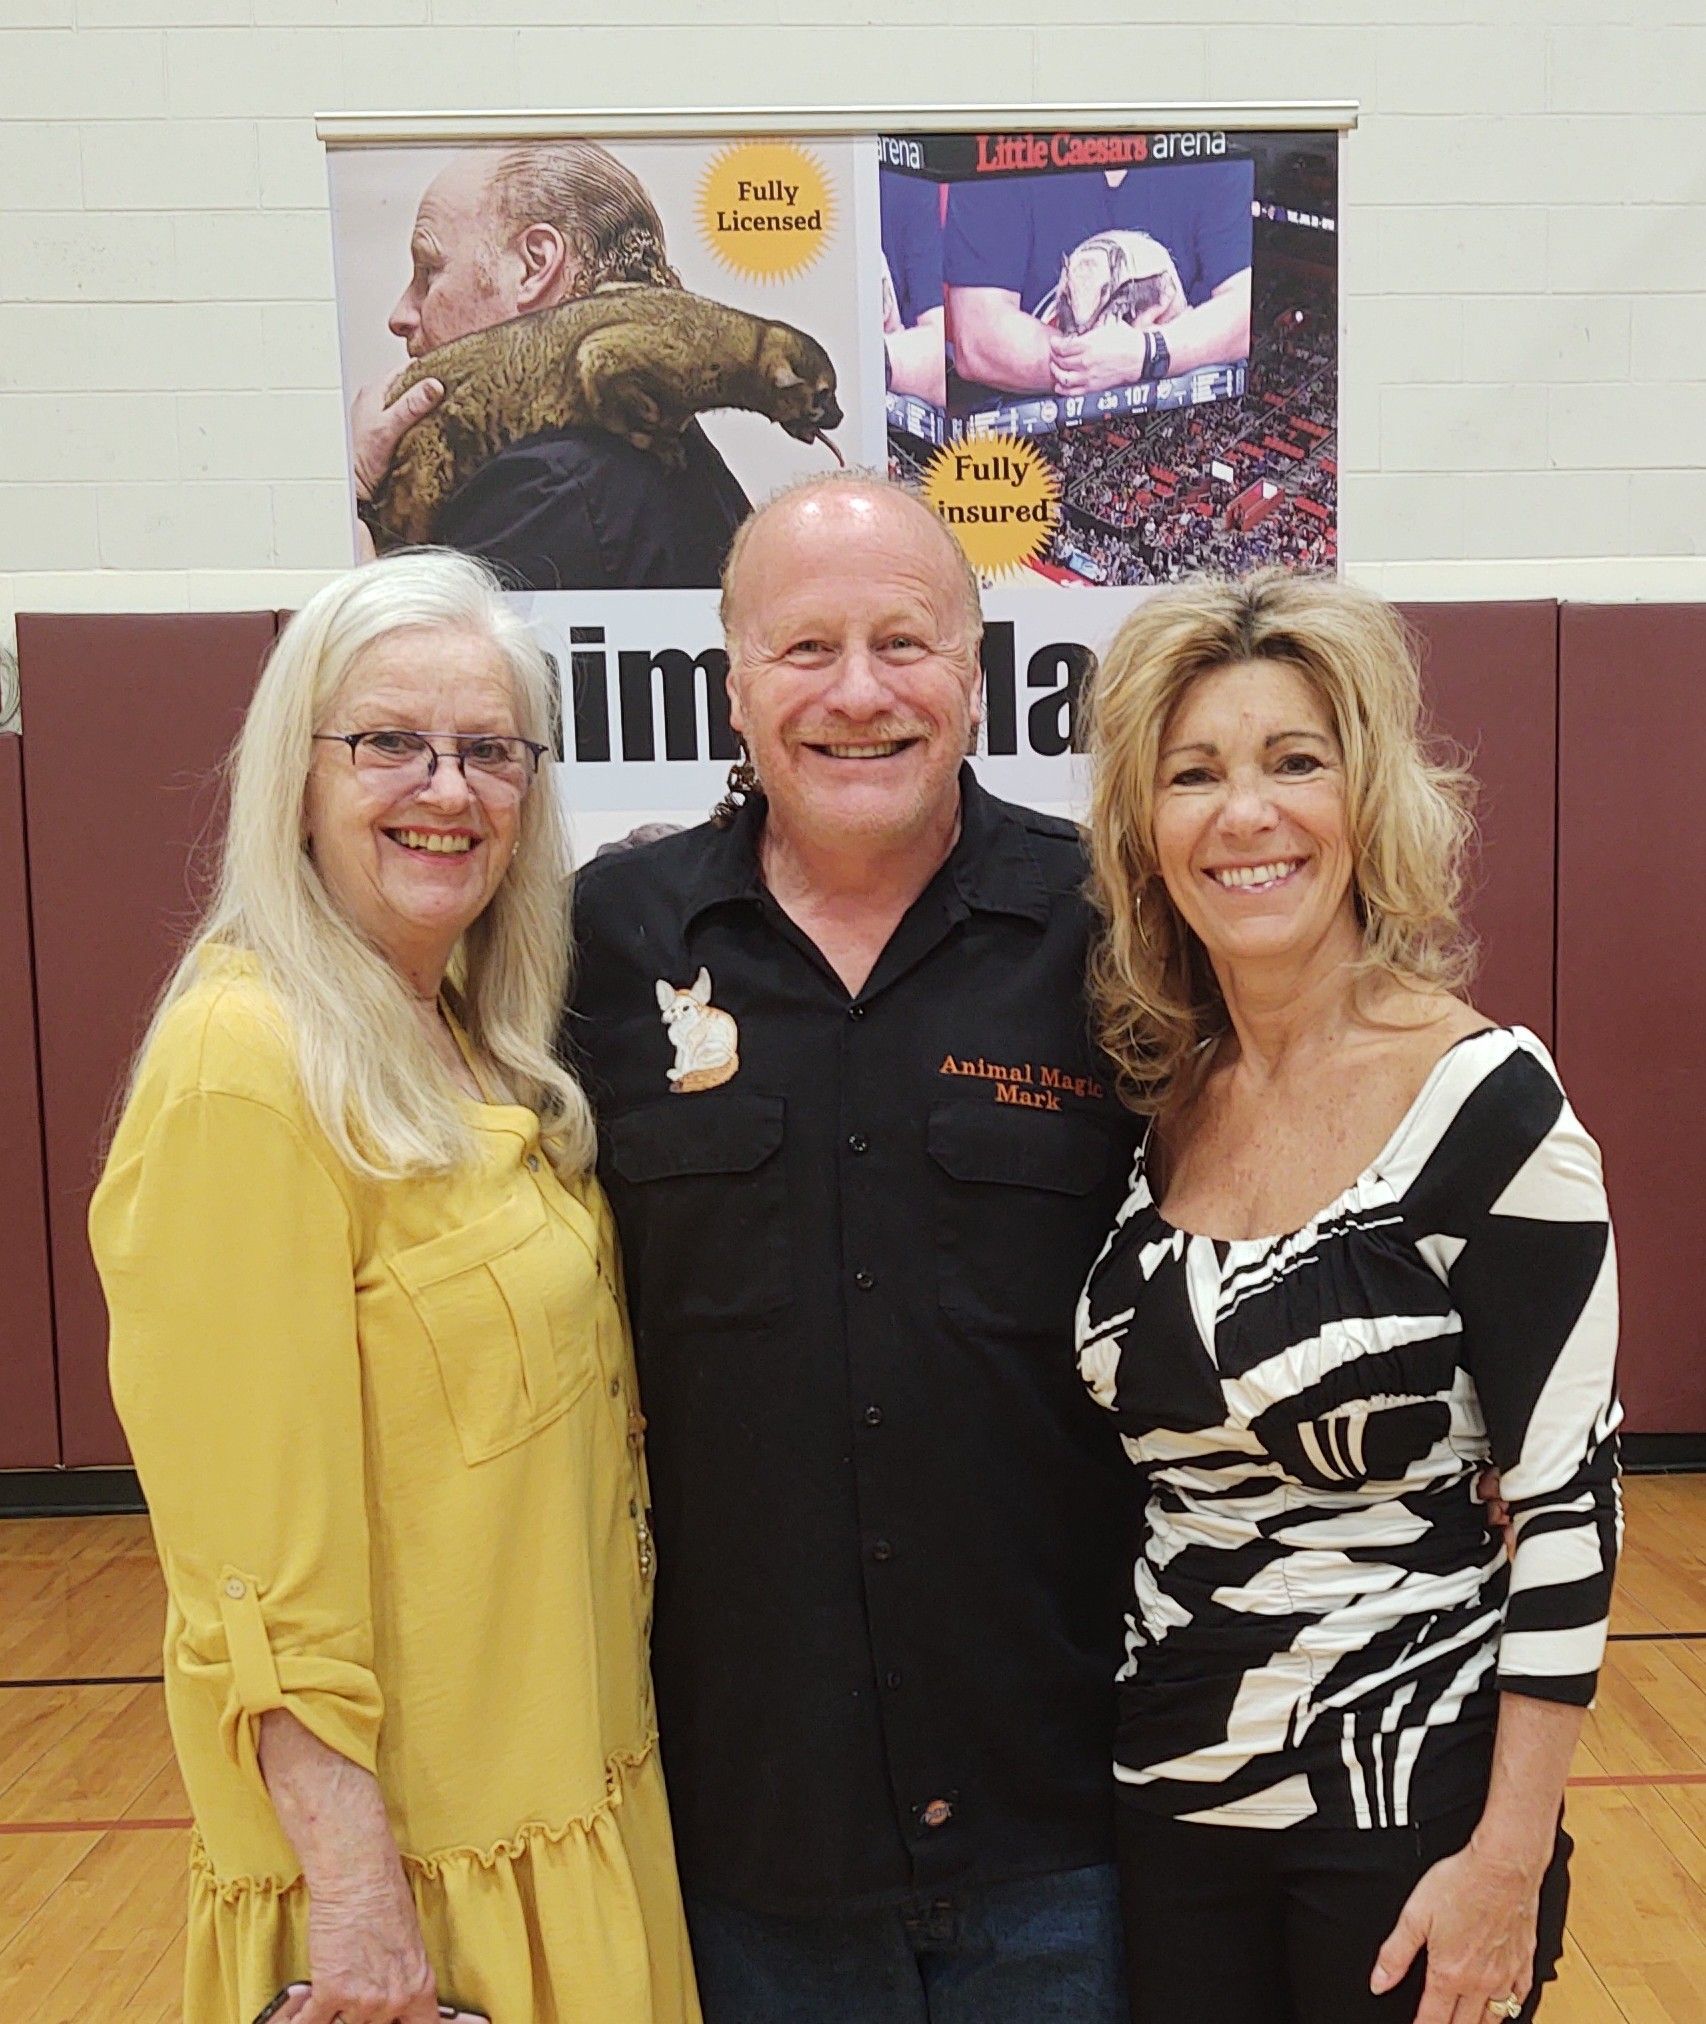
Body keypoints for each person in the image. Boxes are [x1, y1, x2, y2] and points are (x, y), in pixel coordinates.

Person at [92, 552, 699, 2024]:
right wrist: (358, 1912)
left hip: (570, 1811)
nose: (448, 787)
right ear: (297, 779)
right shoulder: (245, 1063)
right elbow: (246, 1566)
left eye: (491, 750)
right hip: (412, 1900)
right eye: (388, 743)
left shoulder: (479, 1044)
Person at [565, 474, 1137, 2022]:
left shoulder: (1119, 932)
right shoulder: (599, 947)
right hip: (754, 1830)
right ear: (733, 682)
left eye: (905, 641)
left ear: (975, 666)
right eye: (805, 648)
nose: (859, 692)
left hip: (1064, 1814)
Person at [1076, 568, 1621, 2023]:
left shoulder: (1487, 1109)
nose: (1243, 814)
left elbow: (1566, 1511)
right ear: (1145, 829)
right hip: (1168, 1798)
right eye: (1192, 774)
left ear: (1366, 796)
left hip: (1402, 1808)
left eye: (1292, 762)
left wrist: (1506, 1861)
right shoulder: (1164, 1100)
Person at [352, 142, 750, 589]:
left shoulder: (546, 488)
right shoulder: (674, 457)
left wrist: (359, 492)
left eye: (429, 271)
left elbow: (413, 657)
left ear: (533, 266)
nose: (401, 316)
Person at [945, 158, 1253, 403]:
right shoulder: (1002, 147)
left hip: (1173, 410)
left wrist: (1143, 355)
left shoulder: (1210, 145)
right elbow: (978, 341)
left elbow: (1240, 315)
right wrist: (1091, 364)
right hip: (1029, 423)